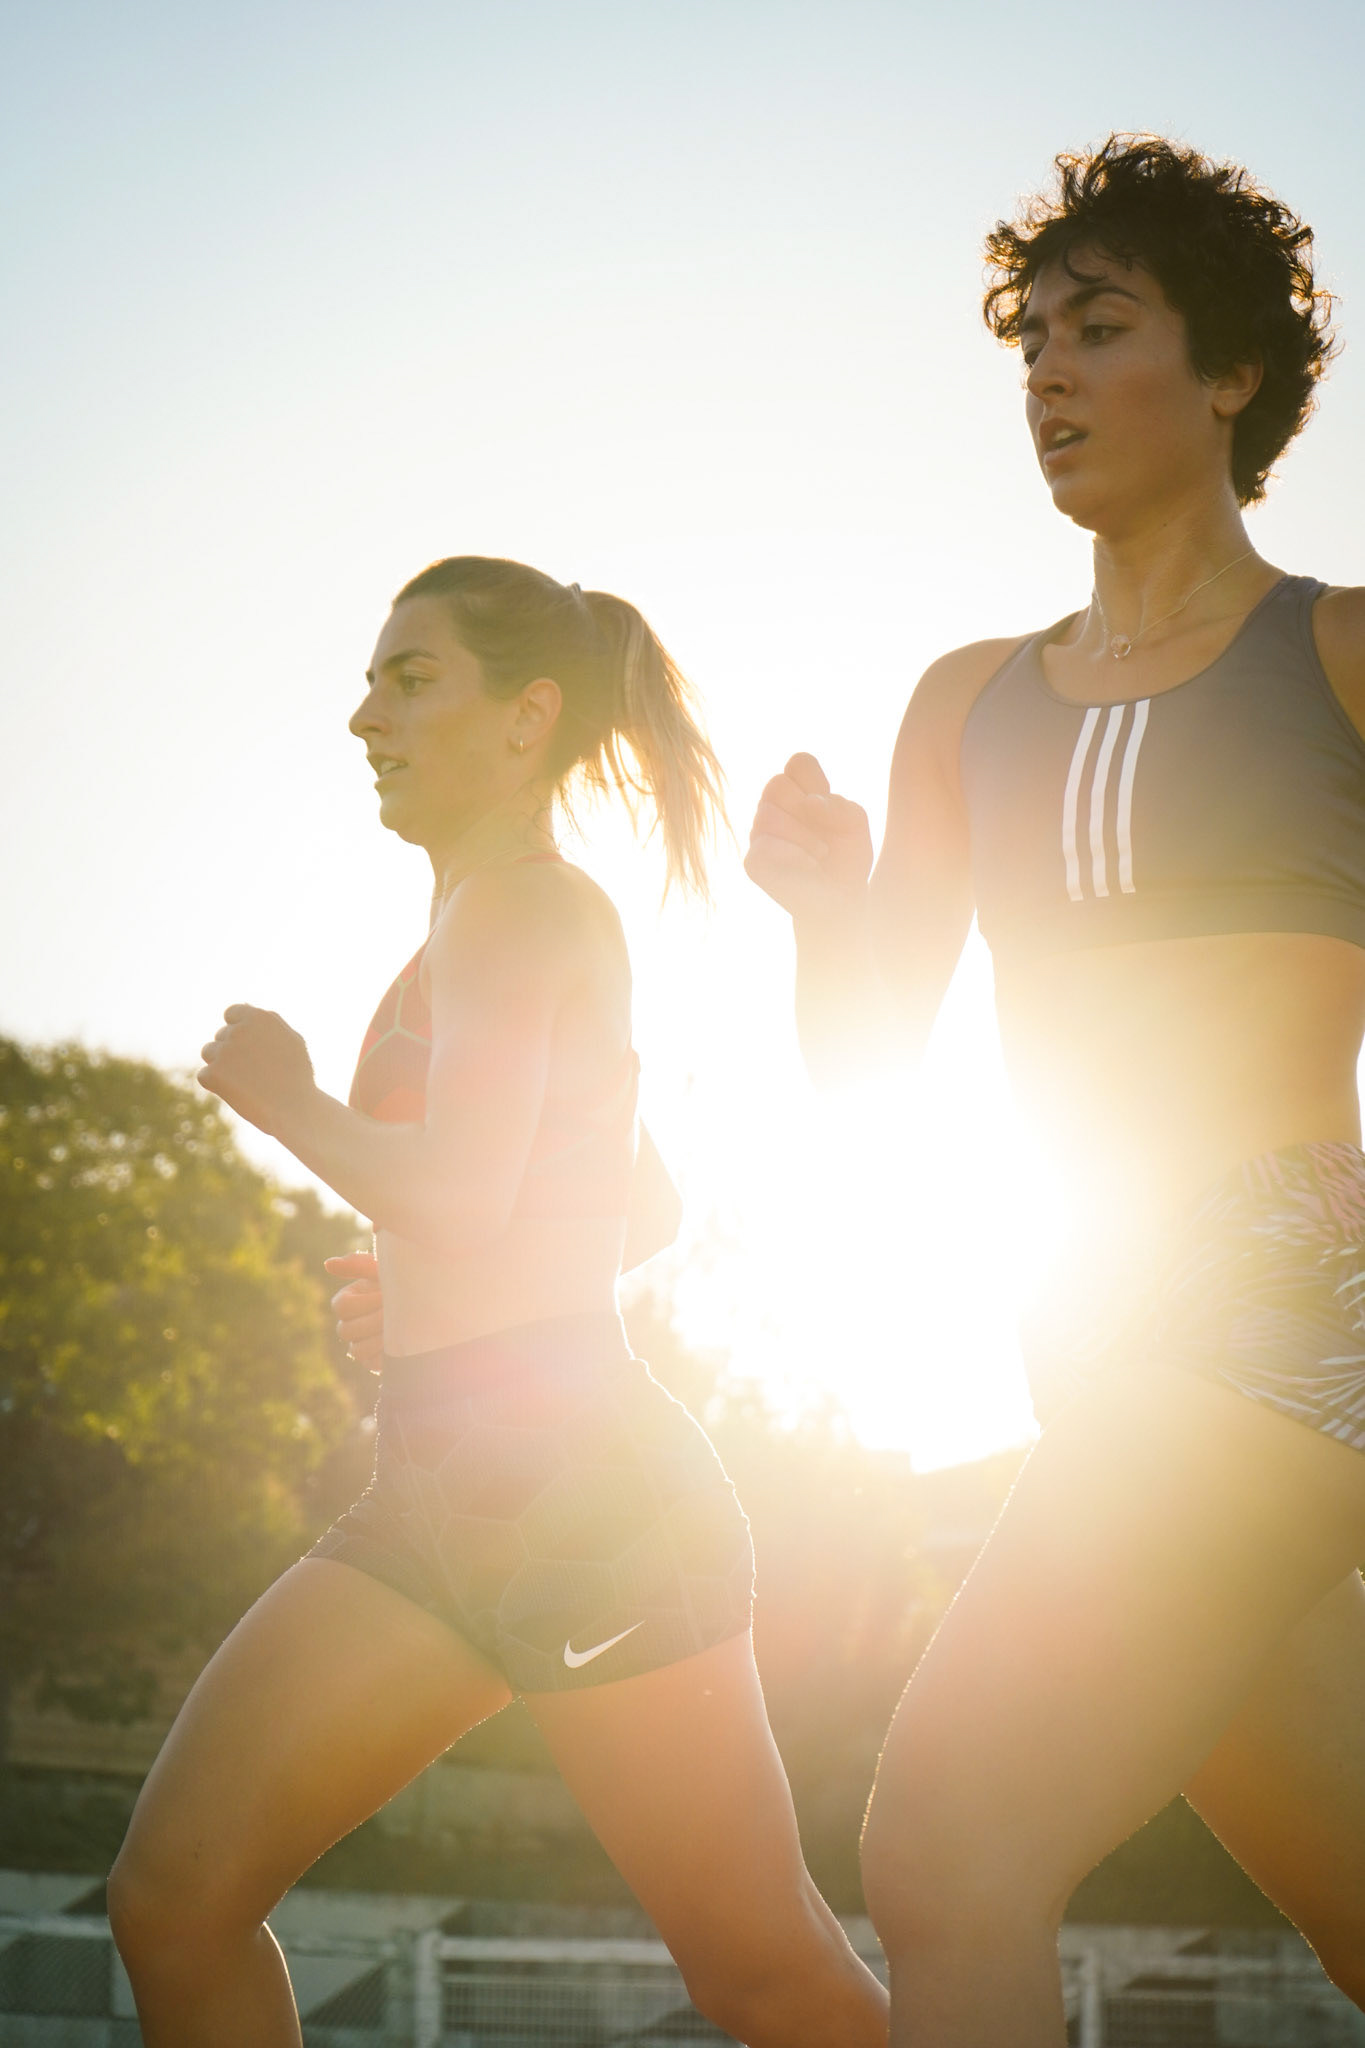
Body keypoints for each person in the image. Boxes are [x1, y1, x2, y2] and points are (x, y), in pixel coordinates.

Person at [746, 136, 1365, 2047]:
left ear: (1233, 375)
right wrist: (812, 917)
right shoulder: (963, 702)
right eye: (1030, 338)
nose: (1047, 376)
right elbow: (868, 1073)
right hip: (1081, 1334)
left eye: (1100, 330)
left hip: (1283, 1288)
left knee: (942, 1847)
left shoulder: (1338, 650)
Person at [108, 556, 887, 2048]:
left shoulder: (521, 911)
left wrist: (292, 1107)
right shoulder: (486, 919)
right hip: (437, 1492)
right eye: (369, 679)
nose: (363, 716)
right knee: (174, 1898)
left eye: (411, 679)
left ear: (526, 717)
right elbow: (629, 1203)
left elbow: (460, 1191)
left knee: (762, 1974)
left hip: (584, 1506)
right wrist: (424, 1299)